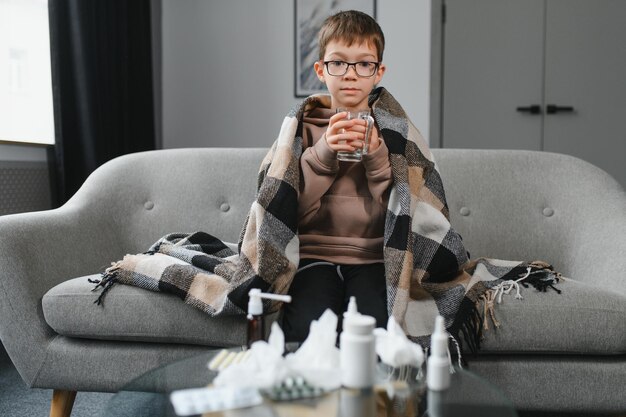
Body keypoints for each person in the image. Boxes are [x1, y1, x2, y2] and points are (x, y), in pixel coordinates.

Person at [281, 10, 392, 343]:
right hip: (315, 254)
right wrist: (325, 152)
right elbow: (288, 208)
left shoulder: (393, 135)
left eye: (364, 64)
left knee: (376, 333)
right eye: (338, 63)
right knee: (306, 330)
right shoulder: (303, 130)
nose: (350, 75)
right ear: (321, 70)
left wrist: (376, 157)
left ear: (378, 73)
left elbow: (401, 214)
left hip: (372, 257)